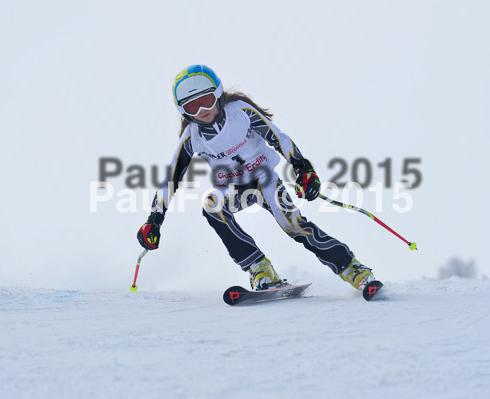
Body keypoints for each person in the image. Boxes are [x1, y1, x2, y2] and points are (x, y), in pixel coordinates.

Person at [137, 64, 377, 292]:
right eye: (192, 107)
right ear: (183, 111)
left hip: (265, 181)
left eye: (206, 101)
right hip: (236, 190)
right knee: (212, 206)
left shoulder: (240, 112)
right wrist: (155, 219)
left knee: (292, 225)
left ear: (218, 95)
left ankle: (352, 268)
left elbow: (278, 137)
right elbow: (171, 178)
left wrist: (303, 168)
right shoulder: (192, 137)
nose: (202, 111)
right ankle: (259, 268)